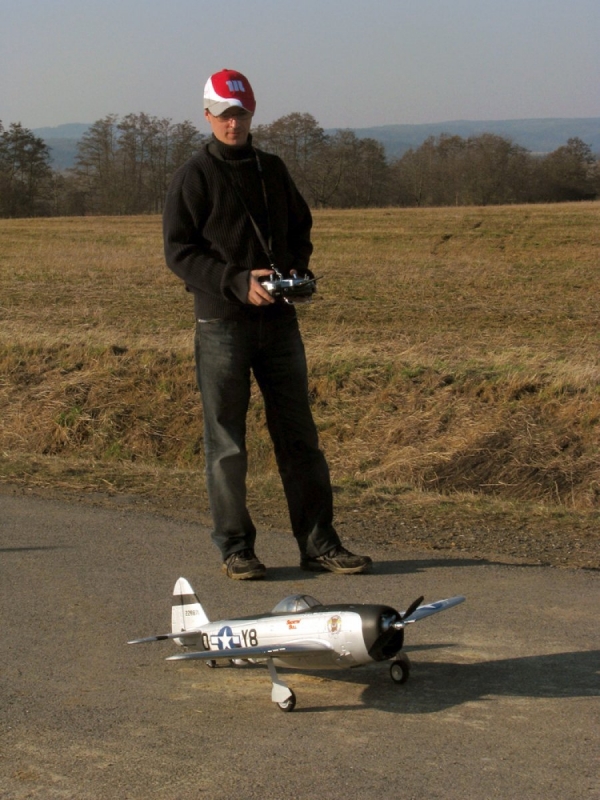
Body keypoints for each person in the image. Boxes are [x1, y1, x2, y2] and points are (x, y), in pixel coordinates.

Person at [163, 68, 372, 579]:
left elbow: (300, 226)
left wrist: (296, 269)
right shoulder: (194, 175)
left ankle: (319, 543)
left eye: (243, 113)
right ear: (208, 115)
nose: (235, 123)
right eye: (226, 114)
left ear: (252, 113)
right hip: (221, 324)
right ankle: (236, 548)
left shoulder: (272, 169)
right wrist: (235, 281)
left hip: (279, 325)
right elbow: (179, 253)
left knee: (300, 437)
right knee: (227, 445)